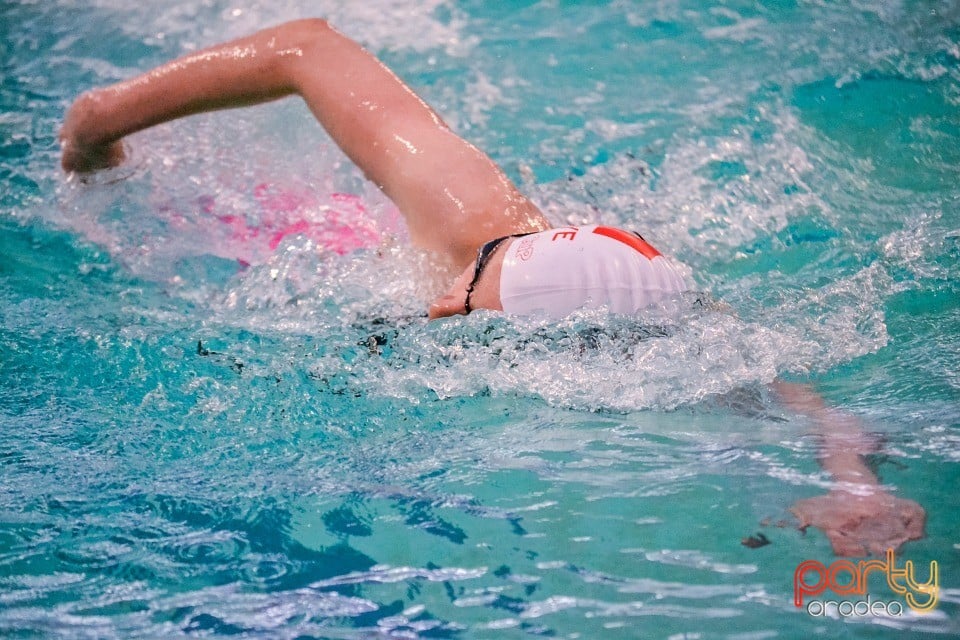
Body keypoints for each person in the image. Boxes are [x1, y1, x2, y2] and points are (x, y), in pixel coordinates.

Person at [60, 18, 924, 556]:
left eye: (475, 309)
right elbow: (307, 45)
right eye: (476, 281)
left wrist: (858, 488)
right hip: (326, 235)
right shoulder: (467, 214)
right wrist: (102, 120)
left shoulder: (667, 327)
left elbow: (804, 406)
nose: (449, 302)